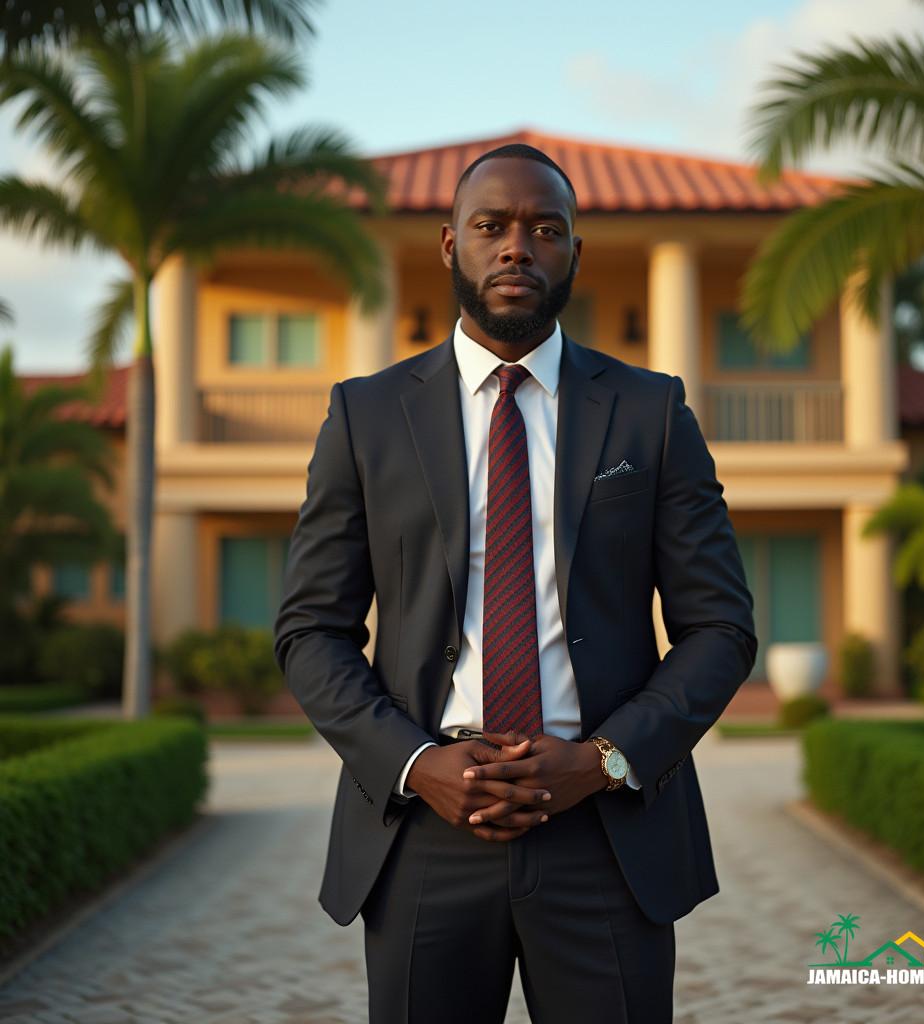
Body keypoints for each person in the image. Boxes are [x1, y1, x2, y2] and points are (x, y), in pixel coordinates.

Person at [273, 142, 757, 1024]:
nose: (517, 247)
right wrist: (417, 766)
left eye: (545, 228)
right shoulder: (365, 415)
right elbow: (310, 630)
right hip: (423, 830)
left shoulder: (650, 412)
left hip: (605, 832)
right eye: (492, 226)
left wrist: (605, 761)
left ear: (576, 253)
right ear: (450, 245)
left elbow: (719, 626)